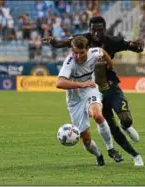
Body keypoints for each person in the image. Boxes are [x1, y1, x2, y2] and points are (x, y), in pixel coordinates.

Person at [42, 16, 144, 166]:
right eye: (93, 29)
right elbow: (59, 79)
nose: (96, 33)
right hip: (78, 95)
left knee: (104, 116)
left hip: (100, 88)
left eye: (99, 29)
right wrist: (54, 42)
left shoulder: (105, 45)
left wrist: (111, 63)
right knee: (90, 137)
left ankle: (116, 144)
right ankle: (105, 155)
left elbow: (114, 50)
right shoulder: (75, 51)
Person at [56, 36, 123, 166]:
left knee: (97, 115)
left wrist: (110, 65)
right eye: (75, 52)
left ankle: (111, 149)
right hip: (74, 100)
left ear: (88, 50)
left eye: (81, 52)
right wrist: (82, 84)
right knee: (86, 139)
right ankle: (99, 155)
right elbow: (59, 83)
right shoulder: (69, 62)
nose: (78, 56)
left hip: (90, 90)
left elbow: (102, 52)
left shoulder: (95, 52)